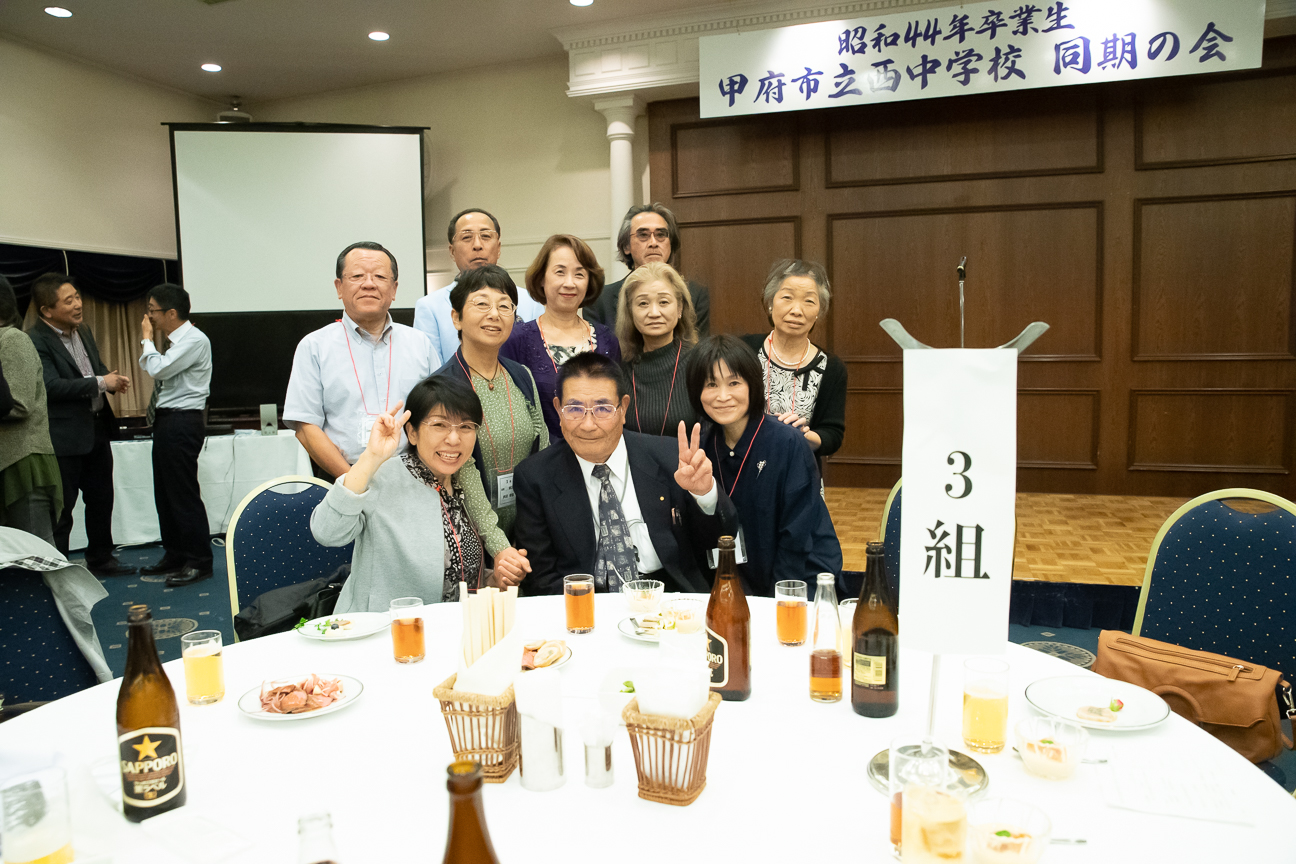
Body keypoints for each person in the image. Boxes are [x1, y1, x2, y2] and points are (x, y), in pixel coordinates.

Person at [512, 352, 737, 596]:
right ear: (558, 409)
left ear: (623, 408)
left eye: (603, 408)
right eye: (575, 409)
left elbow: (719, 540)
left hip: (669, 597)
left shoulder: (671, 457)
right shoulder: (536, 477)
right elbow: (541, 578)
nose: (588, 425)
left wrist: (703, 494)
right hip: (585, 602)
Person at [310, 375, 532, 614]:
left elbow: (455, 577)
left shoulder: (465, 482)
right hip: (385, 627)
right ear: (412, 432)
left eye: (466, 427)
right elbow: (327, 533)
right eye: (439, 425)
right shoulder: (383, 476)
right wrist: (371, 457)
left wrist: (496, 580)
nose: (454, 438)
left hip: (450, 627)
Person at [686, 334, 842, 598]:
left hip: (799, 578)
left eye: (734, 383)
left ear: (752, 385)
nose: (723, 396)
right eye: (711, 384)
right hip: (738, 578)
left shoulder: (788, 442)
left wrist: (776, 600)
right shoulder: (701, 447)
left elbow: (797, 537)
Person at [284, 241, 440, 481]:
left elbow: (438, 415)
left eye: (380, 276)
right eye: (357, 276)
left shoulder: (420, 344)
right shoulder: (314, 346)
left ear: (394, 289)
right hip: (340, 476)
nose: (369, 284)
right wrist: (354, 481)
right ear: (339, 287)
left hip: (411, 477)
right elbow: (306, 427)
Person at [27, 273, 134, 575]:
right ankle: (58, 568)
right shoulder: (35, 340)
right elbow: (51, 386)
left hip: (97, 429)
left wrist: (111, 380)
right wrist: (101, 382)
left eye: (77, 297)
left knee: (102, 499)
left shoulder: (83, 330)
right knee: (63, 508)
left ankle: (101, 558)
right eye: (68, 300)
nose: (78, 304)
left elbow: (94, 368)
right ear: (47, 310)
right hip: (65, 438)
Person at [434, 265, 548, 538]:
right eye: (482, 304)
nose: (494, 314)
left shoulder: (522, 375)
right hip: (467, 534)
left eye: (504, 306)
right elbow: (462, 472)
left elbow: (542, 448)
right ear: (457, 318)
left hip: (527, 527)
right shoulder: (442, 387)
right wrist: (500, 547)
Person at [501, 235, 621, 440]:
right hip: (541, 456)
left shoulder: (606, 339)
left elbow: (615, 407)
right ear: (541, 278)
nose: (569, 283)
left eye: (579, 274)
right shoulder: (516, 340)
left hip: (599, 451)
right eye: (560, 272)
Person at [137, 284, 214, 587]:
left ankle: (199, 561)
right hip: (167, 421)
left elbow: (159, 370)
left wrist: (146, 340)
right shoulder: (175, 341)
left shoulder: (194, 339)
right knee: (165, 494)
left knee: (182, 494)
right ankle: (175, 554)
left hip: (182, 421)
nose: (149, 317)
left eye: (152, 310)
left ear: (171, 313)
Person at [741, 259, 847, 464]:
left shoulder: (831, 367)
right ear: (770, 302)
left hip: (798, 470)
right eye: (787, 297)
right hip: (741, 466)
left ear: (819, 311)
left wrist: (804, 436)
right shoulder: (744, 351)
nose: (797, 310)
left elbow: (832, 434)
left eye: (809, 301)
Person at [413, 208, 544, 360]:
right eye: (467, 237)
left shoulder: (531, 301)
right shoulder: (430, 307)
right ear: (452, 251)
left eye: (486, 236)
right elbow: (432, 369)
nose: (477, 245)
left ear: (499, 248)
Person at [0, 275, 62, 546]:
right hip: (8, 460)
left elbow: (20, 404)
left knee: (36, 552)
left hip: (22, 460)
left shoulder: (13, 339)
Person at [585, 203, 711, 336]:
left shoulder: (695, 295)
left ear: (671, 243)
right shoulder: (600, 301)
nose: (653, 243)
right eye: (643, 235)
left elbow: (697, 347)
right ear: (626, 246)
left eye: (661, 235)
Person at [616, 262, 698, 436]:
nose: (654, 313)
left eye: (663, 302)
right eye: (643, 303)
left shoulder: (699, 363)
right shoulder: (619, 367)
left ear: (680, 308)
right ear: (630, 312)